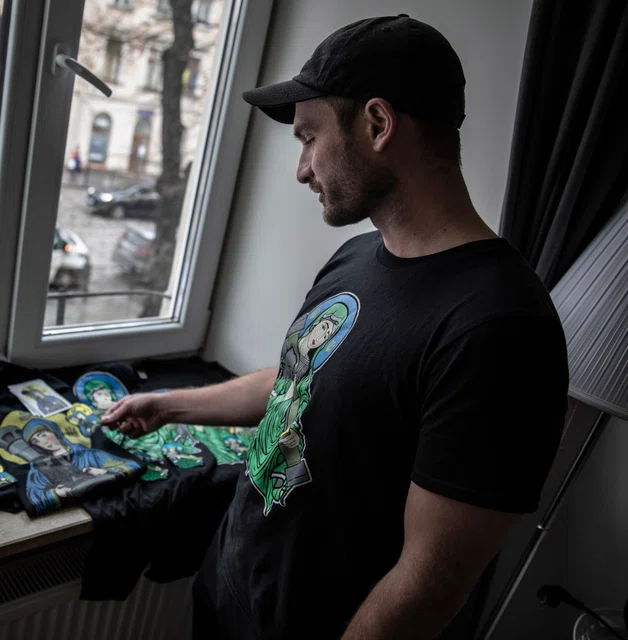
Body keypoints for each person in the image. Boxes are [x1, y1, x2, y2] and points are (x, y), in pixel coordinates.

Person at [101, 15, 569, 640]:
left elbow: (431, 582)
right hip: (229, 592)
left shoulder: (501, 329)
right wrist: (172, 404)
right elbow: (305, 383)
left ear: (377, 124)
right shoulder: (357, 257)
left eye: (309, 137)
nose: (301, 169)